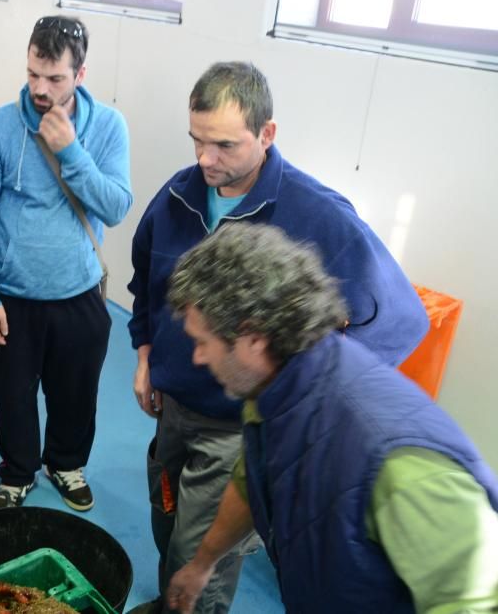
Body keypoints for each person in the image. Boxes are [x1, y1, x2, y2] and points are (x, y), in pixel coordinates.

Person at [127, 61, 430, 613]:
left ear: (267, 134)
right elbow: (145, 277)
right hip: (173, 408)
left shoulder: (318, 215)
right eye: (196, 141)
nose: (204, 160)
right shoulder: (178, 195)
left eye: (223, 145)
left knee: (203, 557)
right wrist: (145, 354)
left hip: (238, 425)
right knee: (168, 526)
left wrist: (303, 394)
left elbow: (401, 321)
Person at [162, 222, 498, 614]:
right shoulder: (274, 387)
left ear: (253, 338)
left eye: (203, 343)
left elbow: (478, 601)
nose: (198, 358)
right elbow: (251, 476)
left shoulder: (399, 462)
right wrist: (204, 562)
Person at [0, 16, 132, 511]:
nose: (40, 88)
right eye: (33, 74)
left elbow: (116, 206)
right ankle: (17, 470)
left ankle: (65, 463)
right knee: (13, 397)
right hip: (12, 296)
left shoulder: (107, 127)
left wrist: (71, 151)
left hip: (79, 291)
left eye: (54, 78)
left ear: (80, 75)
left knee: (75, 394)